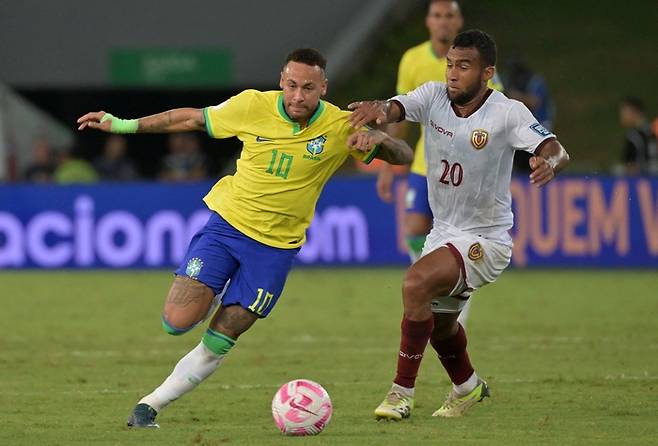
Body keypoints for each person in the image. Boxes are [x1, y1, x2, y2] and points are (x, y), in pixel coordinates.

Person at [77, 48, 413, 428]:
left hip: (274, 250)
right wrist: (121, 125)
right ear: (281, 82)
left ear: (324, 88)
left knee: (224, 334)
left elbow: (404, 152)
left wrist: (380, 142)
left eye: (307, 88)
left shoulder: (341, 124)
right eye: (290, 86)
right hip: (227, 227)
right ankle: (215, 288)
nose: (298, 96)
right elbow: (190, 119)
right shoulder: (253, 105)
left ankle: (149, 406)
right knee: (176, 321)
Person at [348, 30, 570, 421]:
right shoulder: (433, 96)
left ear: (487, 73)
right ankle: (468, 387)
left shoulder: (507, 112)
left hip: (486, 239)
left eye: (463, 66)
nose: (452, 73)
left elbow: (554, 147)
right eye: (450, 64)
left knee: (415, 283)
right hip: (443, 233)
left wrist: (547, 162)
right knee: (440, 327)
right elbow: (397, 107)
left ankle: (401, 393)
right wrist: (378, 110)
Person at [377, 0, 504, 326]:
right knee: (415, 229)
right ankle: (431, 289)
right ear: (428, 22)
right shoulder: (412, 59)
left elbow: (497, 108)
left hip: (468, 170)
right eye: (438, 15)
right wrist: (390, 164)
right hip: (425, 164)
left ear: (458, 21)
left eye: (449, 16)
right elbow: (401, 113)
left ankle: (454, 303)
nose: (444, 22)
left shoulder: (476, 60)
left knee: (461, 241)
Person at [505, 54, 555, 173]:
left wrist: (515, 96)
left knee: (536, 159)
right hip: (522, 128)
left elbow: (534, 101)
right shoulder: (510, 80)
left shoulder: (535, 81)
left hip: (540, 125)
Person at [618, 97, 657, 175]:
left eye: (624, 113)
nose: (621, 116)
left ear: (634, 112)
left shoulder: (633, 135)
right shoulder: (652, 130)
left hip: (642, 180)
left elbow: (631, 165)